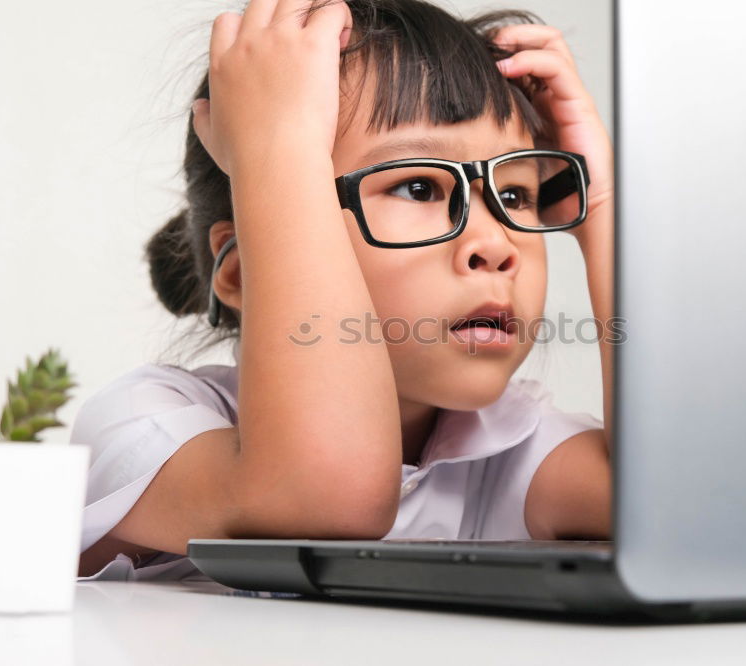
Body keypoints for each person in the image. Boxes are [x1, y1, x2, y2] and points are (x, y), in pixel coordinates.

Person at [72, 0, 616, 581]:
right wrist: (278, 146)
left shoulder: (513, 449)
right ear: (243, 271)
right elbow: (323, 500)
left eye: (514, 196)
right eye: (415, 186)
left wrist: (607, 209)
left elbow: (687, 499)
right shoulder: (146, 423)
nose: (496, 244)